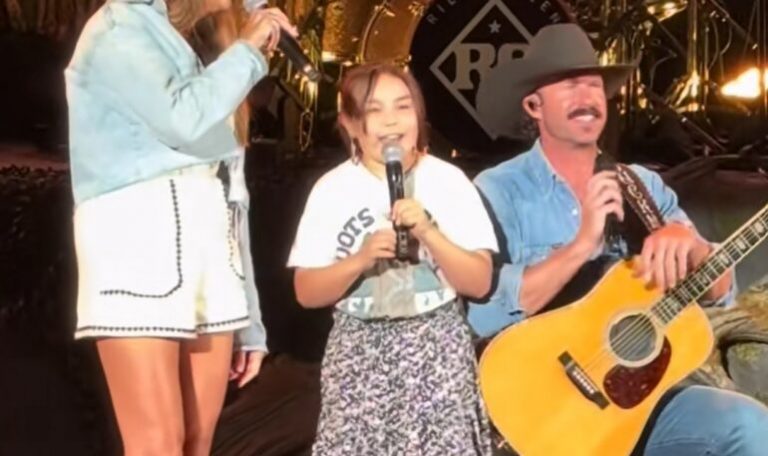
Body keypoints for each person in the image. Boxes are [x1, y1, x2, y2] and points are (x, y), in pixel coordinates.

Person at [469, 23, 768, 455]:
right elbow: (485, 316)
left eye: (594, 85)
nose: (587, 97)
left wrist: (693, 245)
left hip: (641, 406)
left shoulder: (641, 186)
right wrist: (582, 244)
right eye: (569, 85)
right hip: (543, 408)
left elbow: (720, 293)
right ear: (534, 105)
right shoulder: (499, 190)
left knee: (750, 426)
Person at [64, 1, 296, 454]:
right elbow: (181, 117)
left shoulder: (216, 47)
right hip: (138, 245)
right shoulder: (119, 25)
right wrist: (249, 48)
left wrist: (250, 321)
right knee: (159, 444)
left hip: (210, 254)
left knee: (195, 444)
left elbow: (234, 196)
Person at [288, 63, 497, 455]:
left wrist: (429, 233)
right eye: (373, 110)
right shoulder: (332, 189)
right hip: (358, 352)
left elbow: (480, 282)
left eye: (403, 107)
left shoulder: (449, 181)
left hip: (437, 348)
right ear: (351, 124)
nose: (391, 122)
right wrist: (361, 258)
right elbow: (305, 291)